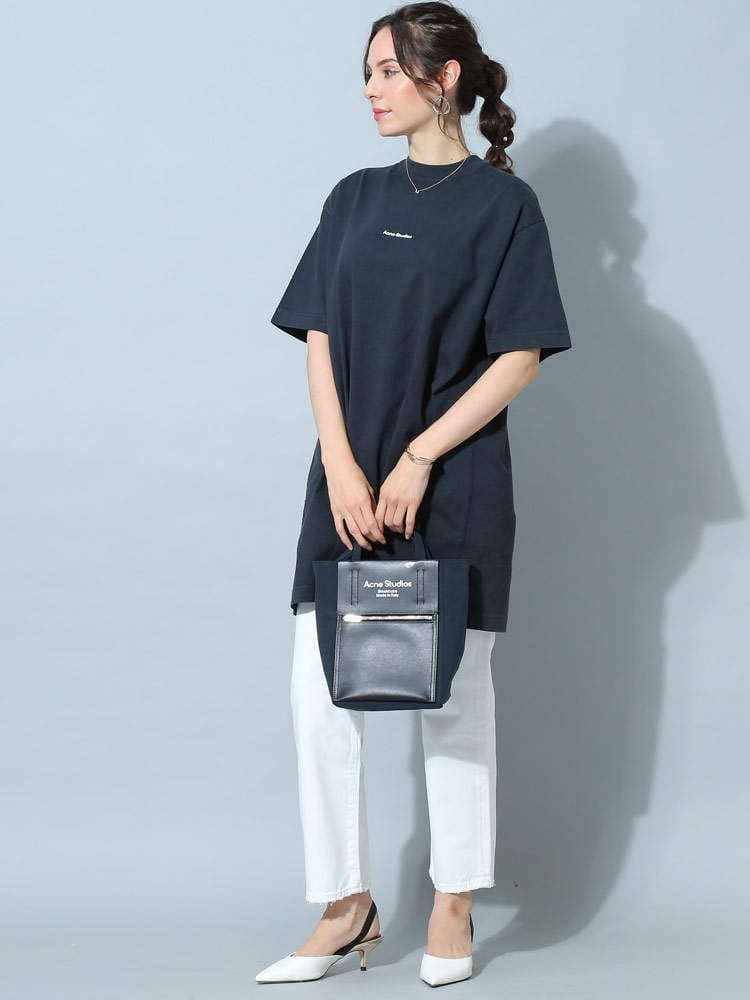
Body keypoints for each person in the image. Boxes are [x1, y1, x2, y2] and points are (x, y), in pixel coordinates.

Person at [257, 1, 572, 986]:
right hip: (348, 484)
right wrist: (343, 463)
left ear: (446, 80)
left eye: (388, 70)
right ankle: (344, 906)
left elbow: (520, 356)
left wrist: (421, 455)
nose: (371, 89)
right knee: (319, 695)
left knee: (455, 697)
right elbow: (318, 335)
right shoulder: (351, 197)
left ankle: (453, 904)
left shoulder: (505, 208)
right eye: (367, 72)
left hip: (453, 481)